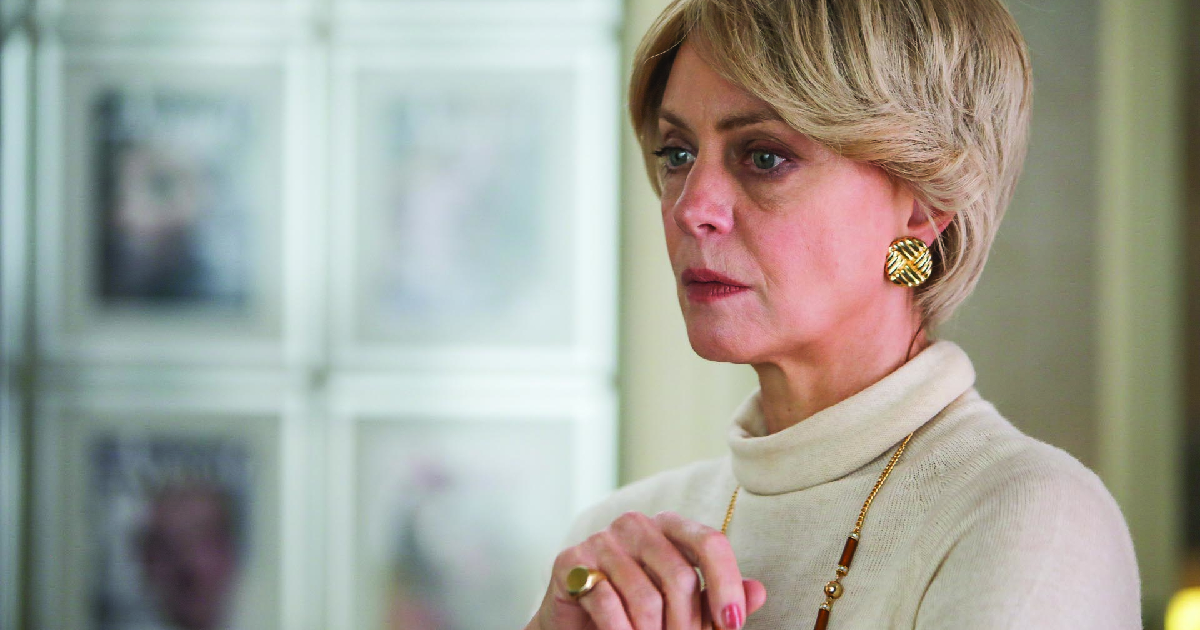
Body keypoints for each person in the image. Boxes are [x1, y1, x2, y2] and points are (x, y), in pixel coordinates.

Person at [525, 0, 1141, 628]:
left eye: (764, 156)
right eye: (677, 153)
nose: (691, 208)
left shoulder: (1028, 518)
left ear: (924, 203)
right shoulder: (615, 550)